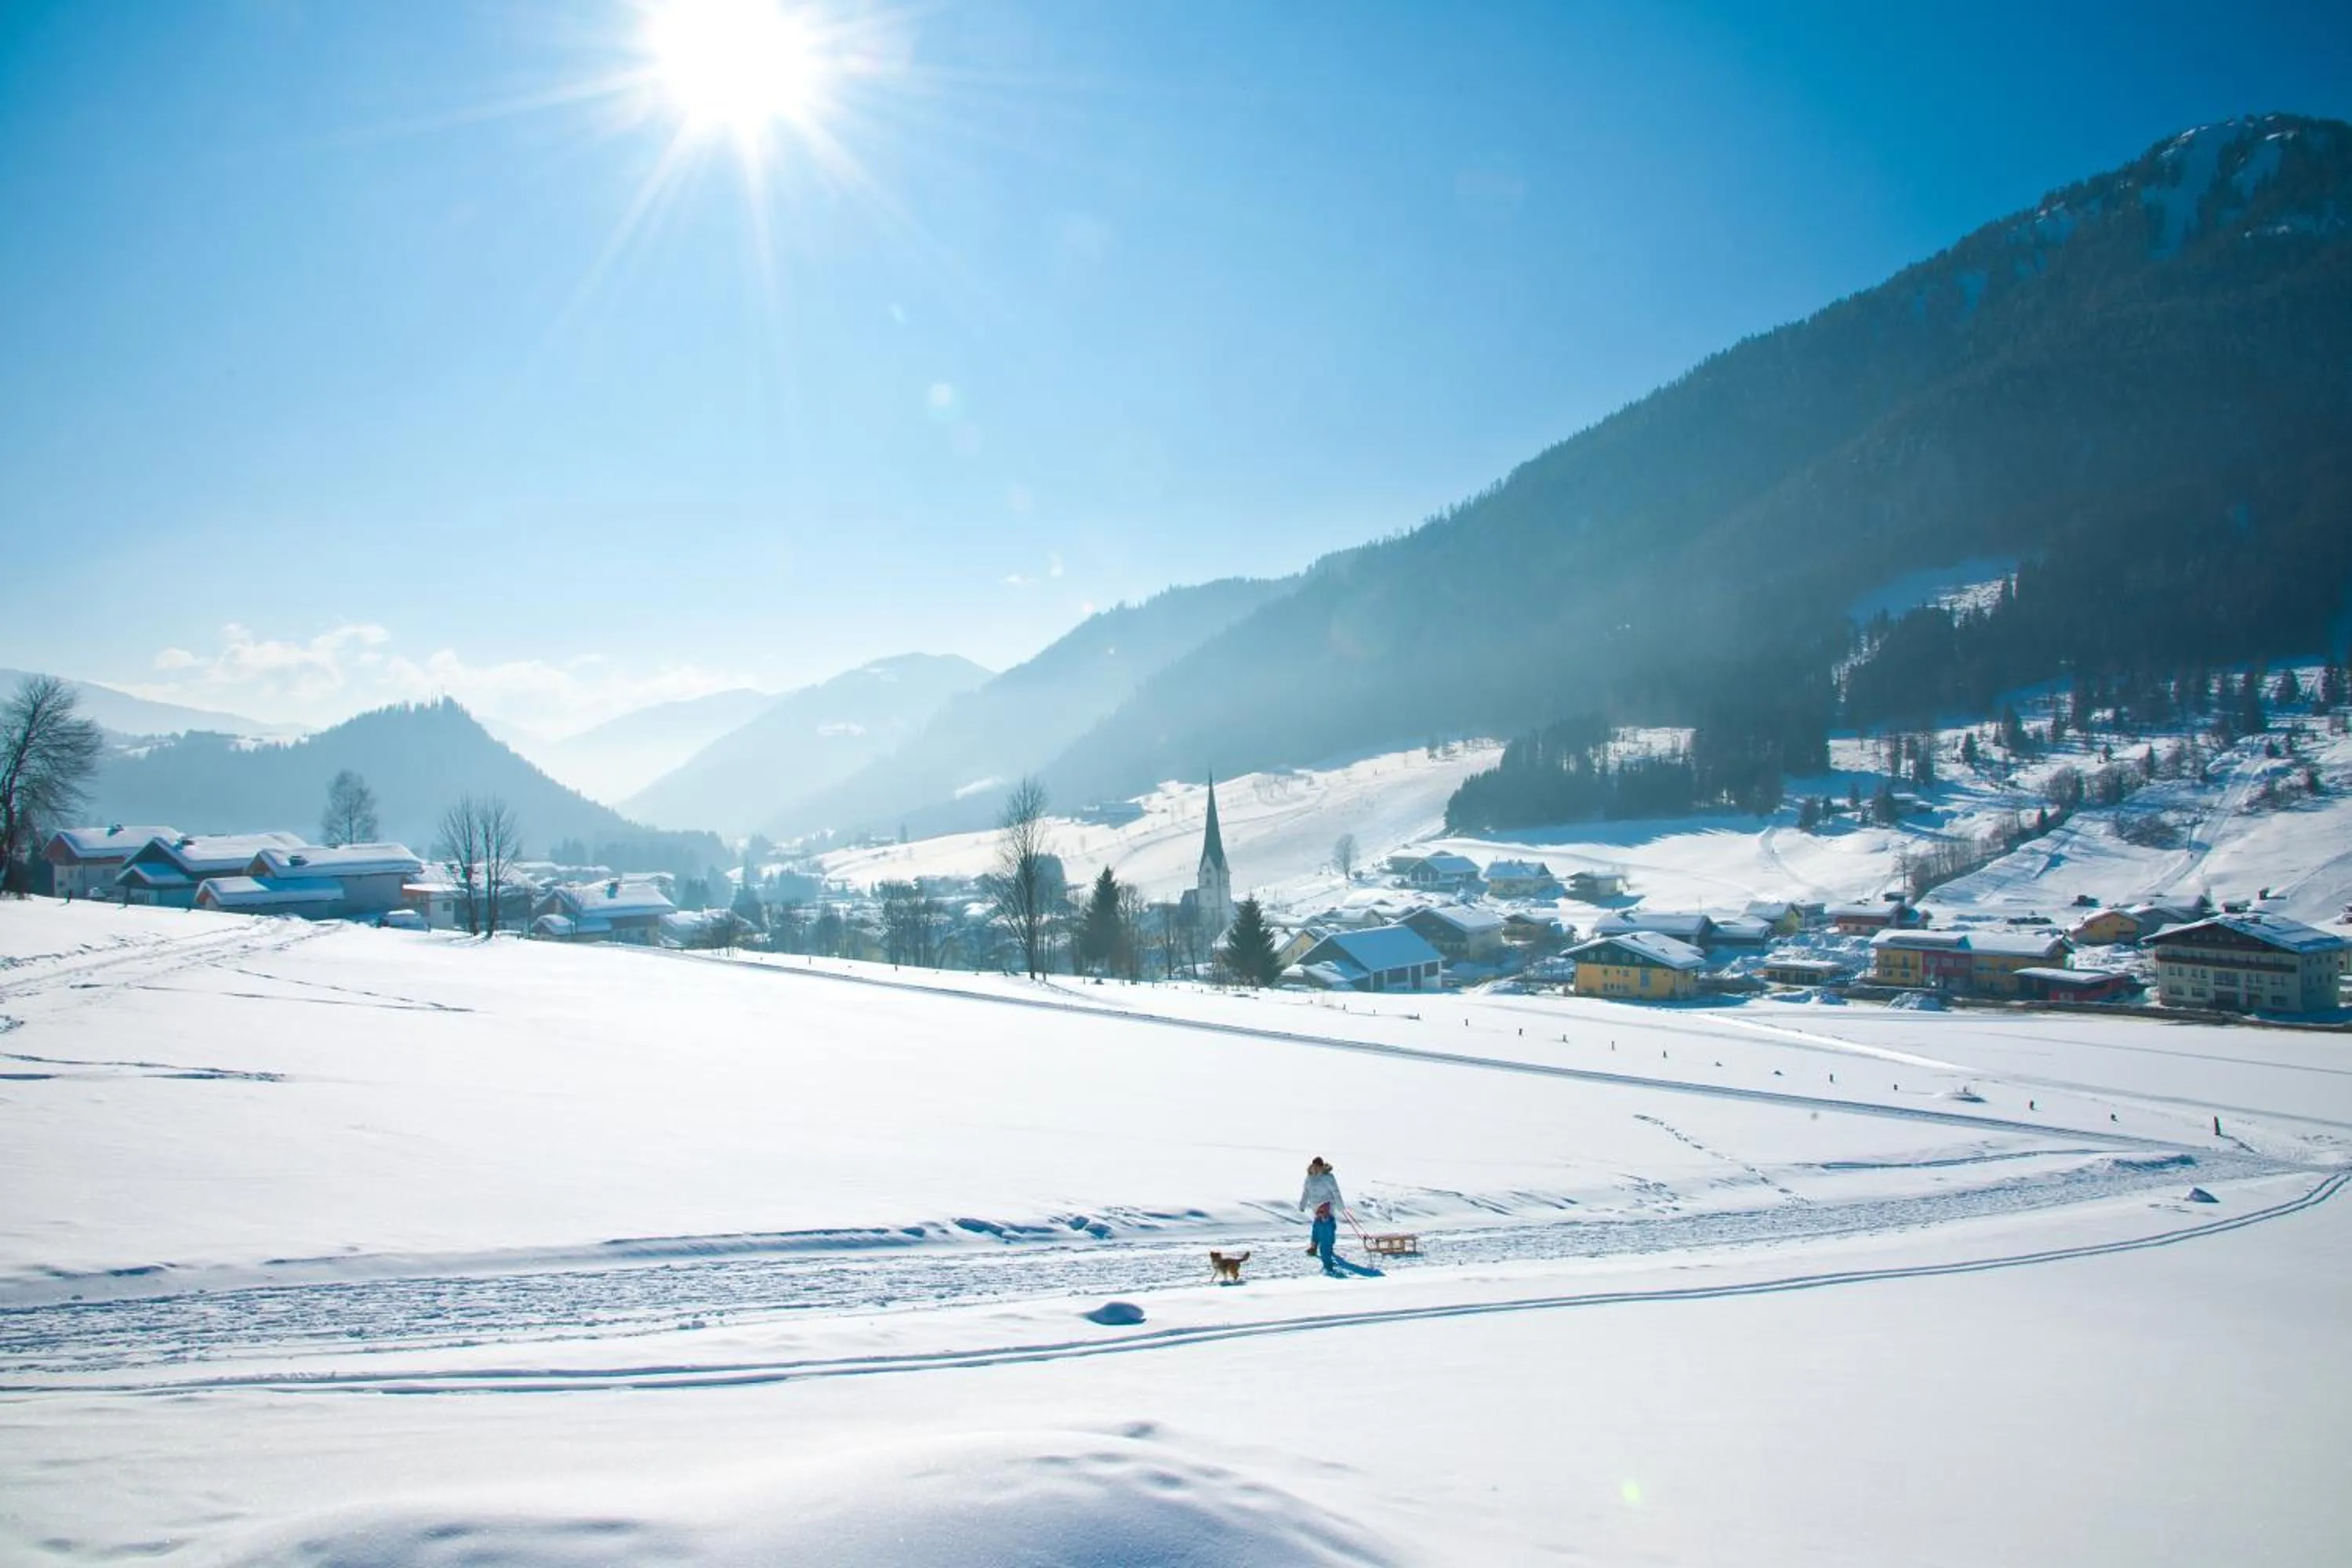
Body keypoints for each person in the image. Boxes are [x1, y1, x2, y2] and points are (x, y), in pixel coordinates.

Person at [1299, 1156, 1344, 1275]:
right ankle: (1314, 1247)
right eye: (1314, 1166)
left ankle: (1328, 1258)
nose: (1316, 1168)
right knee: (1317, 1228)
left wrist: (1340, 1206)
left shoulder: (1328, 1178)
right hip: (1316, 1208)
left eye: (1318, 1166)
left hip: (1327, 1206)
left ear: (1322, 1166)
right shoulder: (1309, 1178)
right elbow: (1306, 1192)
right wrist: (1303, 1205)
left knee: (1327, 1231)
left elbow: (1336, 1191)